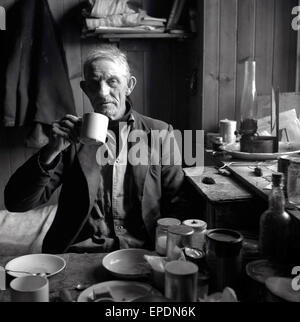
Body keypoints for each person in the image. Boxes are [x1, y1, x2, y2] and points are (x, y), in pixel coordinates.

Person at [4, 45, 186, 254]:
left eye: (112, 81)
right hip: (79, 250)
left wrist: (169, 252)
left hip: (142, 250)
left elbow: (177, 203)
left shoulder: (160, 133)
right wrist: (51, 151)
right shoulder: (70, 137)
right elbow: (16, 203)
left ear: (129, 85)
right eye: (94, 84)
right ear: (85, 89)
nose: (102, 92)